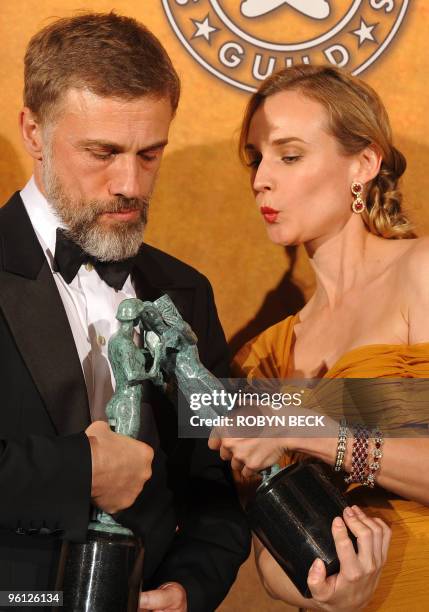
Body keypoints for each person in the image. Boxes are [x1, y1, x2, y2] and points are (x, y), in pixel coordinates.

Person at [0, 12, 250, 612]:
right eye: (103, 152)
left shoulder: (185, 289)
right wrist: (77, 470)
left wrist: (188, 589)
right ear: (33, 131)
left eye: (150, 153)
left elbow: (214, 485)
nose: (130, 184)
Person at [209, 65, 429, 611]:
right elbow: (269, 552)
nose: (261, 178)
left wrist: (305, 425)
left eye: (288, 155)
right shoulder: (262, 355)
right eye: (256, 158)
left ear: (364, 162)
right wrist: (328, 596)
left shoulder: (419, 272)